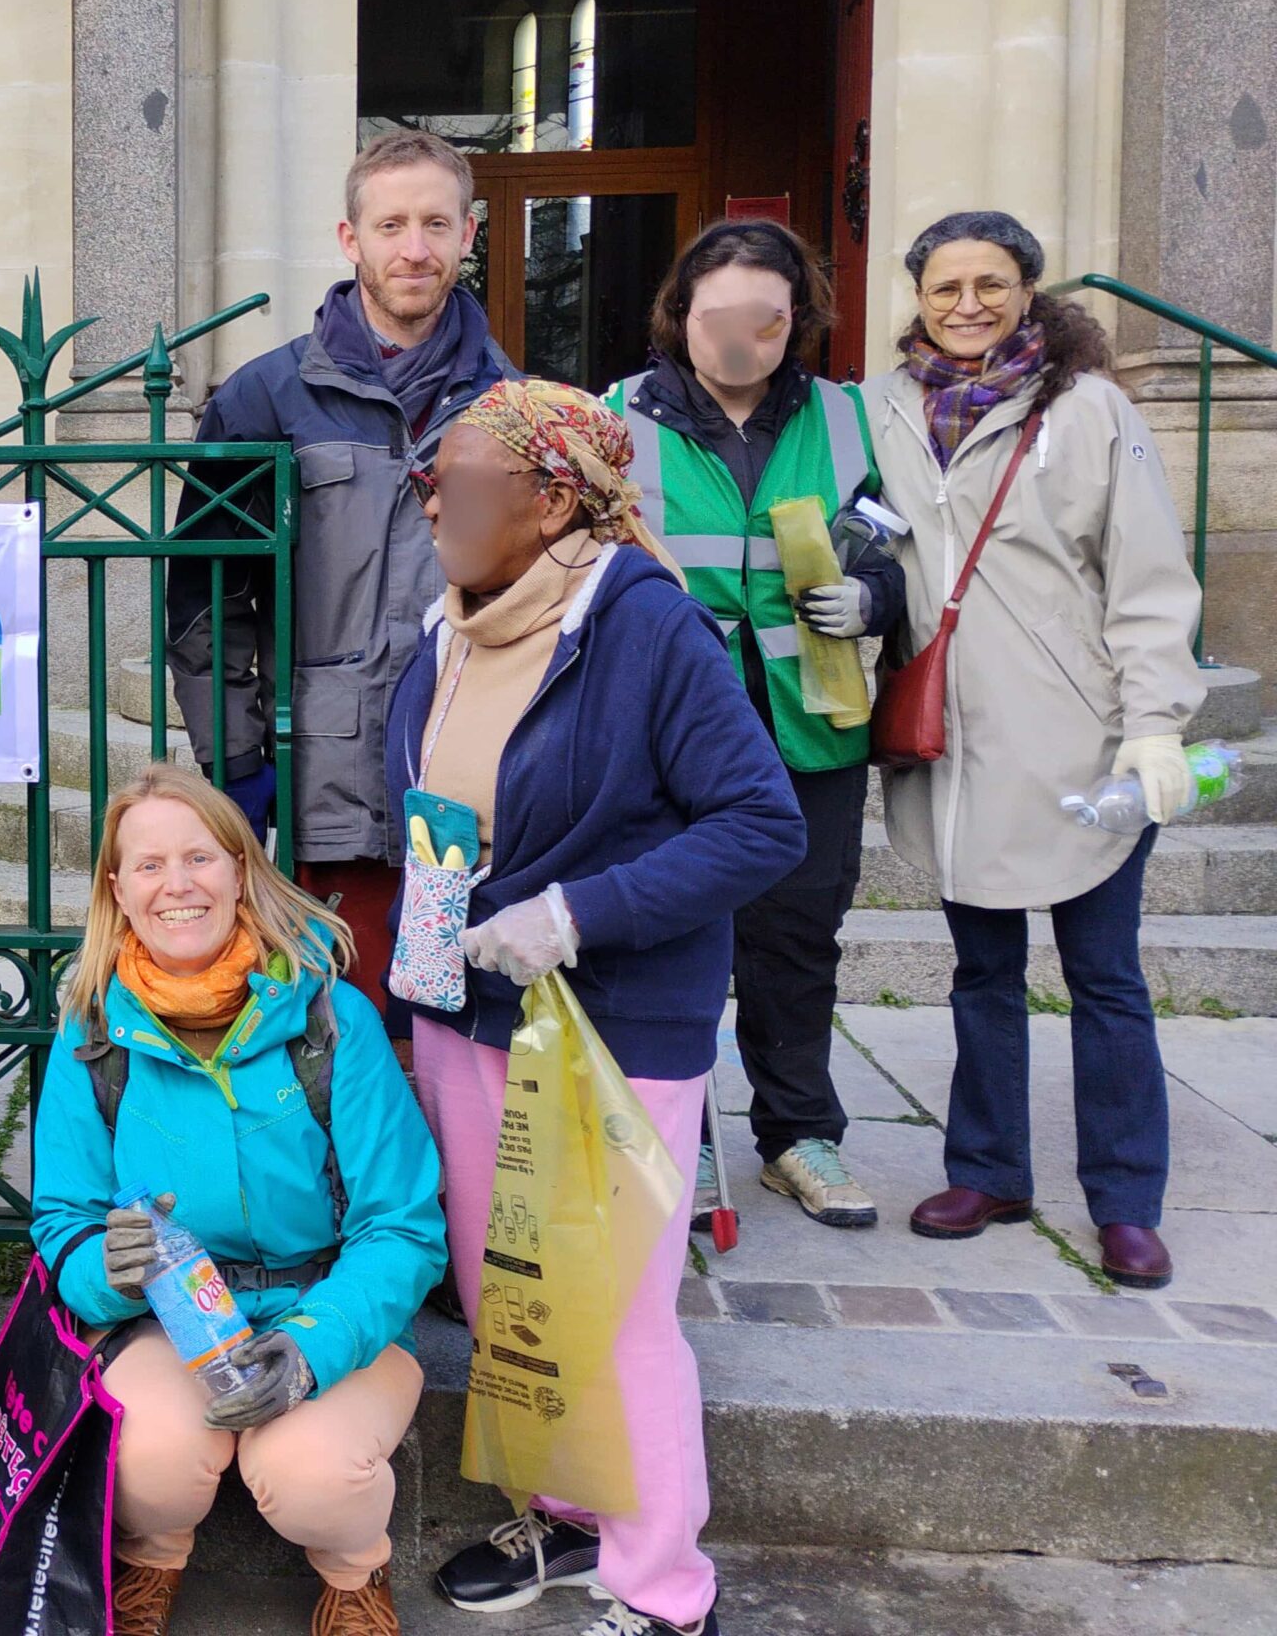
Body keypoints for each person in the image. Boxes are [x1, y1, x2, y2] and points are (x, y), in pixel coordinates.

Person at [386, 381, 804, 1636]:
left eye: (457, 488)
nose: (433, 506)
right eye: (428, 483)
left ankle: (666, 1586)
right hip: (467, 1009)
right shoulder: (458, 615)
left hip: (607, 1024)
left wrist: (577, 913)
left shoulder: (644, 626)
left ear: (556, 497)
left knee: (614, 1313)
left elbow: (760, 825)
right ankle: (570, 1516)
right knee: (506, 1287)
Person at [31, 765, 446, 1636]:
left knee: (313, 1475)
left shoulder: (331, 1021)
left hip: (330, 1303)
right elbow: (62, 1220)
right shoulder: (91, 1035)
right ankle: (151, 1558)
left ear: (241, 869)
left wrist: (308, 1350)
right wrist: (105, 1270)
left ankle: (354, 1573)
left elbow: (403, 1228)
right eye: (148, 866)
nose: (177, 885)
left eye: (200, 858)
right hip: (171, 1320)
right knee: (145, 1457)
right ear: (118, 889)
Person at [868, 211, 1203, 1289]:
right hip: (955, 743)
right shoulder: (882, 412)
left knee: (1104, 977)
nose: (967, 304)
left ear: (1028, 290)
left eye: (991, 283)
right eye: (945, 286)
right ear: (916, 296)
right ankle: (988, 1167)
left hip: (1078, 747)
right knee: (982, 971)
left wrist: (1154, 721)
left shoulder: (1091, 410)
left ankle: (1123, 1197)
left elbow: (1147, 577)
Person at [170, 127, 518, 1011]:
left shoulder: (515, 404)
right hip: (319, 772)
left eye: (436, 224)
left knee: (437, 1011)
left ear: (468, 235)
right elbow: (206, 597)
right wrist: (237, 756)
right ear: (349, 238)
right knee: (327, 1010)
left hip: (460, 777)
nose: (414, 248)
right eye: (392, 223)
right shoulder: (265, 397)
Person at [603, 221, 903, 1229]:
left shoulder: (849, 417)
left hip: (806, 722)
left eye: (763, 320)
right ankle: (665, 1133)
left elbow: (899, 545)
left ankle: (796, 1134)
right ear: (680, 316)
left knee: (795, 934)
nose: (740, 339)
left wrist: (872, 595)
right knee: (663, 934)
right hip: (664, 727)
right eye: (716, 316)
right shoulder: (615, 417)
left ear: (796, 321)